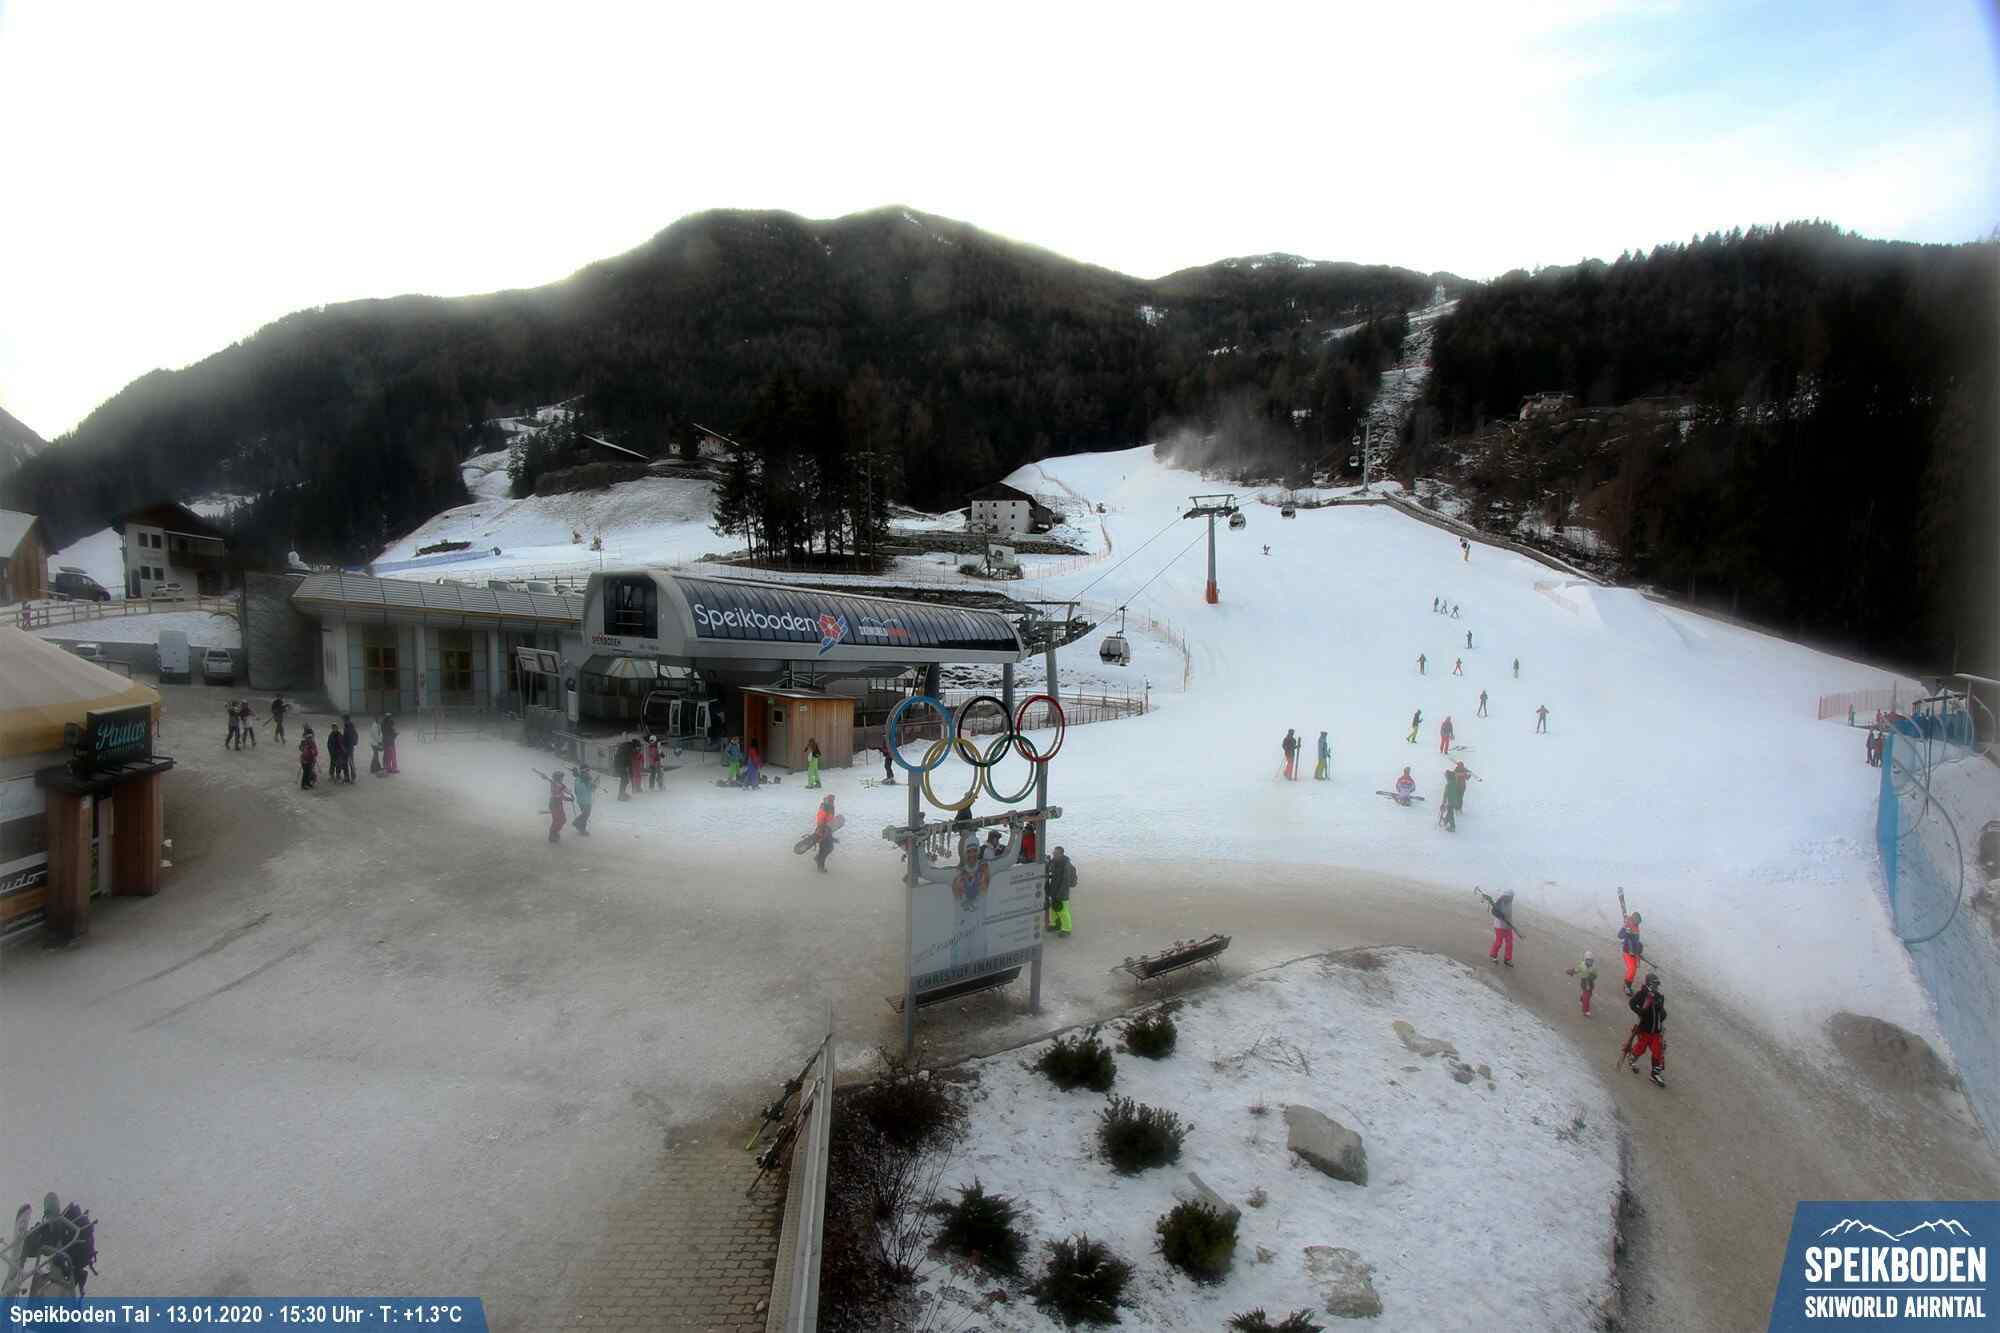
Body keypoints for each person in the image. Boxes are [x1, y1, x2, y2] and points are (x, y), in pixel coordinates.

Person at [1625, 973, 1667, 1087]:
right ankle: (1632, 1058)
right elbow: (1632, 1003)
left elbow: (1662, 1012)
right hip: (1644, 1029)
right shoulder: (1642, 994)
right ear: (1648, 983)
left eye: (1657, 984)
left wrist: (1663, 1014)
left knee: (1658, 1051)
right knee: (1641, 1048)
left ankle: (1655, 1074)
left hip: (1656, 1031)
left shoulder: (1659, 997)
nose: (1656, 986)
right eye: (1654, 984)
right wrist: (1640, 1011)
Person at [1045, 845, 1077, 937]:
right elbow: (1049, 869)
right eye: (1053, 853)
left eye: (1056, 853)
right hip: (1054, 890)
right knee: (1053, 908)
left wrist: (1060, 895)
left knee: (1063, 911)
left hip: (1062, 893)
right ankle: (1055, 924)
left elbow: (1065, 882)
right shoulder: (1054, 861)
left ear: (1061, 854)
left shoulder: (1066, 865)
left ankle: (1067, 929)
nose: (1054, 855)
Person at [1617, 894, 1645, 996]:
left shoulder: (1636, 927)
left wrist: (1638, 952)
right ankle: (1626, 986)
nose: (1638, 923)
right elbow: (1620, 935)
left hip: (1634, 952)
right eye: (1637, 921)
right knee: (1632, 969)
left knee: (1634, 970)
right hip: (1627, 952)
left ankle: (1628, 985)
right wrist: (1626, 931)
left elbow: (1635, 941)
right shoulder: (1628, 924)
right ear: (1634, 919)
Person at [1483, 887, 1516, 966]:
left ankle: (1507, 959)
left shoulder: (1509, 902)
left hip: (1508, 926)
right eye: (1511, 897)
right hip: (1500, 926)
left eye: (1512, 897)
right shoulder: (1501, 901)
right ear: (1507, 896)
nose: (1512, 898)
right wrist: (1501, 916)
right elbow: (1494, 911)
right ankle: (1493, 955)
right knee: (1499, 942)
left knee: (1509, 943)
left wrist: (1510, 923)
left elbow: (1508, 914)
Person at [1567, 952, 1599, 1017]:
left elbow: (1596, 975)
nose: (1589, 962)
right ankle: (1585, 1010)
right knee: (1587, 996)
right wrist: (1572, 971)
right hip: (1584, 981)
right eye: (1588, 960)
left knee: (1589, 994)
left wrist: (1593, 976)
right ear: (1585, 960)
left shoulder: (1593, 968)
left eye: (1591, 961)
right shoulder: (1582, 965)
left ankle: (1582, 999)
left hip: (1590, 981)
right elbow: (1577, 969)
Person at [813, 795, 839, 872]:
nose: (832, 801)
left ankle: (818, 858)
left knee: (830, 848)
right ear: (827, 800)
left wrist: (831, 835)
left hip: (827, 830)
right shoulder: (824, 807)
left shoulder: (831, 807)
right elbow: (820, 819)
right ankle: (820, 866)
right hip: (822, 830)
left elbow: (830, 820)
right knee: (823, 849)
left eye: (833, 800)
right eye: (830, 800)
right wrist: (821, 830)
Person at [547, 769, 570, 844]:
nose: (562, 779)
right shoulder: (554, 785)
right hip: (554, 804)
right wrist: (564, 789)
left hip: (559, 804)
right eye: (561, 777)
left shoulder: (559, 785)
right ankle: (552, 835)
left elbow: (561, 795)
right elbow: (557, 794)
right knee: (556, 820)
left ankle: (555, 832)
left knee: (563, 820)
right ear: (557, 778)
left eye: (562, 777)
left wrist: (568, 799)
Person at [572, 764, 595, 836]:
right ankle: (577, 822)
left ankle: (582, 829)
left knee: (585, 815)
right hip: (585, 800)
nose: (589, 772)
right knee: (586, 814)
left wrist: (592, 786)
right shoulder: (582, 779)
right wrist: (589, 784)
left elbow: (576, 791)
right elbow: (579, 790)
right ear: (584, 771)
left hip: (582, 800)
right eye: (588, 770)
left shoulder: (580, 778)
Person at [298, 725, 318, 790]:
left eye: (311, 738)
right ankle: (304, 784)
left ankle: (308, 782)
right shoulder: (305, 743)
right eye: (309, 738)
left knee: (309, 772)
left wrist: (314, 752)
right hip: (305, 760)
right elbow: (301, 749)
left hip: (311, 760)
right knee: (306, 772)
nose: (310, 739)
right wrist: (303, 748)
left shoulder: (313, 743)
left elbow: (316, 751)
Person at [342, 716, 359, 782]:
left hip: (349, 748)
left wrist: (352, 744)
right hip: (346, 747)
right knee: (345, 762)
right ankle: (347, 777)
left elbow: (351, 737)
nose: (343, 721)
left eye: (344, 719)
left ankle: (353, 777)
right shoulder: (346, 726)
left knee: (351, 762)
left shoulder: (350, 726)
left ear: (347, 719)